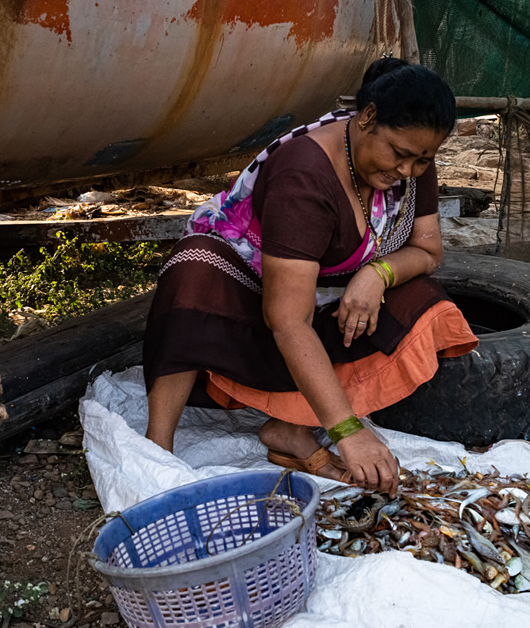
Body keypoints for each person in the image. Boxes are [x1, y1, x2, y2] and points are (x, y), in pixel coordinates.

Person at [142, 58, 478, 497]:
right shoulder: (304, 176)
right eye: (399, 154)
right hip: (244, 314)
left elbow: (428, 251)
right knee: (195, 271)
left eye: (422, 160)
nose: (407, 171)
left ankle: (289, 427)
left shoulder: (411, 159)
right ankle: (158, 446)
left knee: (425, 302)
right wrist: (347, 432)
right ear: (368, 118)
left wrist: (377, 273)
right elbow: (286, 320)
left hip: (321, 301)